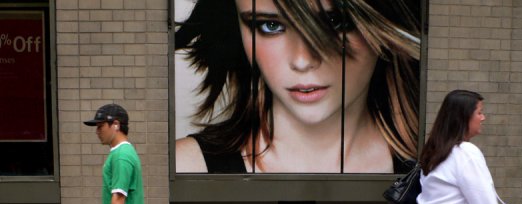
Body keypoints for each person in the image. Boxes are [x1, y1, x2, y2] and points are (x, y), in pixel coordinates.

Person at [174, 0, 420, 173]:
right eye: (270, 26)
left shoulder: (437, 168)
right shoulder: (184, 166)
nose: (302, 60)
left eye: (336, 22)